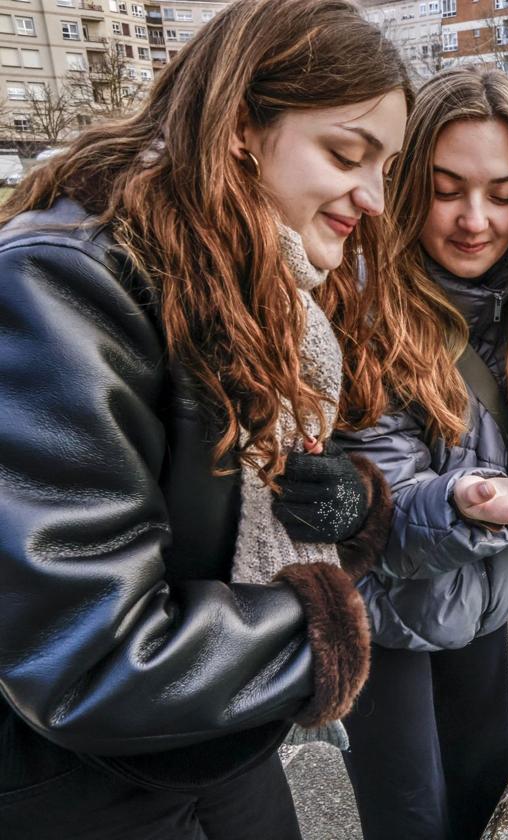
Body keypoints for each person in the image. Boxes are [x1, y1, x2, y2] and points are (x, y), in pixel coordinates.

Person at [0, 1, 416, 837]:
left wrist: (334, 502)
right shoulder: (62, 285)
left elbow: (202, 493)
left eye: (387, 166)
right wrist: (326, 631)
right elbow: (85, 654)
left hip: (214, 750)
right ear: (238, 127)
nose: (374, 198)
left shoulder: (239, 280)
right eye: (347, 153)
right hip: (84, 795)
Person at [338, 66, 508, 840]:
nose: (474, 219)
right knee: (411, 819)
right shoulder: (357, 308)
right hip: (382, 619)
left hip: (484, 601)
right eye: (448, 188)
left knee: (488, 795)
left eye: (502, 191)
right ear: (408, 183)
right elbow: (375, 497)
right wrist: (468, 501)